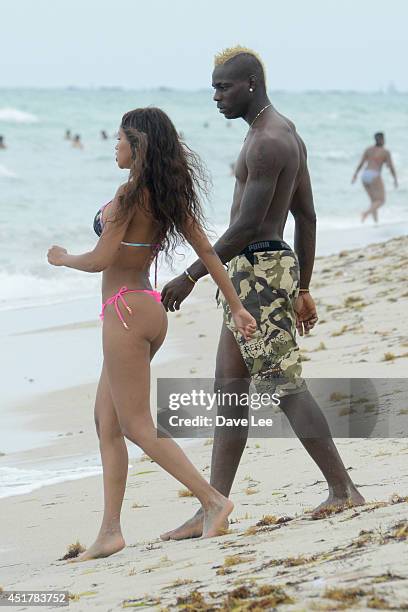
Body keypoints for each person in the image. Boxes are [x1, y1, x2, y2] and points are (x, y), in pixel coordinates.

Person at [160, 46, 364, 541]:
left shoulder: (267, 142)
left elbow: (250, 223)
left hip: (258, 271)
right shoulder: (280, 131)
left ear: (250, 82)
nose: (216, 97)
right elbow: (307, 216)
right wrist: (305, 287)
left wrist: (190, 275)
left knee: (282, 384)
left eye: (223, 87)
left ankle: (343, 490)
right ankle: (214, 505)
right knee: (229, 388)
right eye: (213, 87)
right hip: (263, 271)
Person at [47, 107, 257, 561]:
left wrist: (63, 259)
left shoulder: (128, 195)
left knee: (137, 425)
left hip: (123, 313)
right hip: (146, 310)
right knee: (107, 422)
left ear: (137, 144)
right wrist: (236, 306)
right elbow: (207, 250)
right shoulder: (167, 196)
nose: (115, 146)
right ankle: (110, 532)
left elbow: (102, 258)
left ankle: (212, 500)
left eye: (120, 139)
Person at [352, 132, 398, 223]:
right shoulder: (385, 152)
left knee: (374, 201)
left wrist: (355, 175)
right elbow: (391, 166)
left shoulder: (368, 149)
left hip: (365, 175)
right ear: (382, 140)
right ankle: (365, 213)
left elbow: (361, 164)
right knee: (381, 200)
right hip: (374, 175)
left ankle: (376, 222)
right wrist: (395, 179)